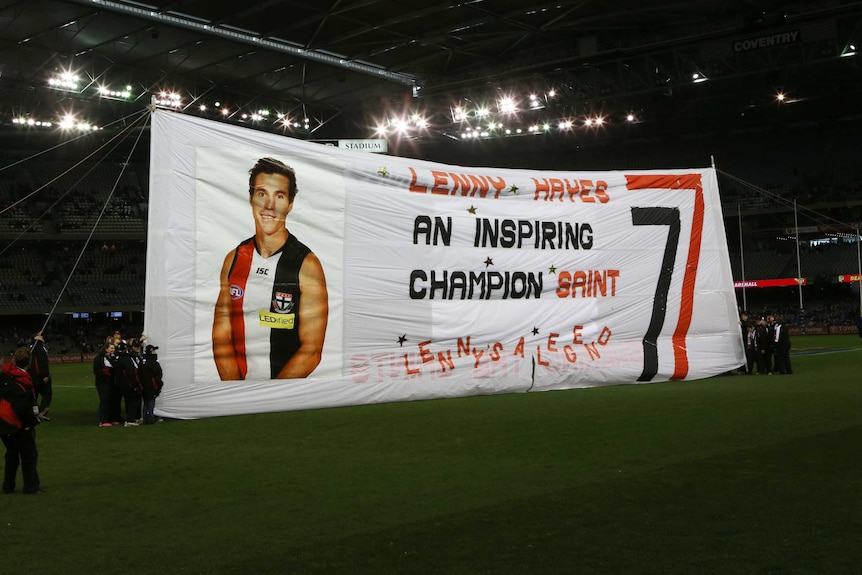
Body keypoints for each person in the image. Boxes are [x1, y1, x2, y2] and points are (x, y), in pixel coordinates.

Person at [212, 157, 329, 380]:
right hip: (238, 392)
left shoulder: (307, 264)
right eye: (262, 193)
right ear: (251, 198)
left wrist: (268, 396)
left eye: (280, 196)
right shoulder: (234, 258)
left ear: (290, 204)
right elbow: (221, 336)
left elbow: (311, 350)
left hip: (282, 398)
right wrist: (237, 392)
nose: (269, 205)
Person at [1, 346, 42, 494]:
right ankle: (31, 486)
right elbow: (22, 408)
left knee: (12, 453)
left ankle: (8, 486)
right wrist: (28, 424)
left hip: (3, 421)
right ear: (29, 362)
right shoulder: (23, 381)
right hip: (14, 422)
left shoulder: (6, 375)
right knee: (29, 455)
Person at [115, 338, 143, 426]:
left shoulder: (119, 358)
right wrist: (135, 384)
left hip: (122, 384)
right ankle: (130, 419)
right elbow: (131, 372)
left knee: (130, 400)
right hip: (129, 384)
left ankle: (132, 418)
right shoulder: (126, 358)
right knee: (134, 400)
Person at [93, 340, 117, 427]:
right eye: (111, 348)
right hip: (102, 383)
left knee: (111, 401)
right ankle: (103, 420)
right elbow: (97, 371)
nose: (113, 350)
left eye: (113, 348)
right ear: (106, 349)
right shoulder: (99, 358)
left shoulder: (111, 358)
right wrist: (107, 375)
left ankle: (110, 418)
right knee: (104, 401)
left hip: (110, 383)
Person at [28, 332, 52, 421]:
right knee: (47, 393)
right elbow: (41, 363)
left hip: (32, 376)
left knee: (35, 395)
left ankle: (34, 412)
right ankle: (42, 411)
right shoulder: (39, 348)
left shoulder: (31, 348)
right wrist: (45, 375)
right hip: (39, 376)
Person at [139, 344, 163, 424]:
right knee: (151, 401)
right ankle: (150, 417)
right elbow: (158, 375)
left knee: (146, 401)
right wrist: (159, 384)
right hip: (152, 385)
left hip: (144, 384)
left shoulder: (142, 362)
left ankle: (145, 416)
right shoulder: (154, 363)